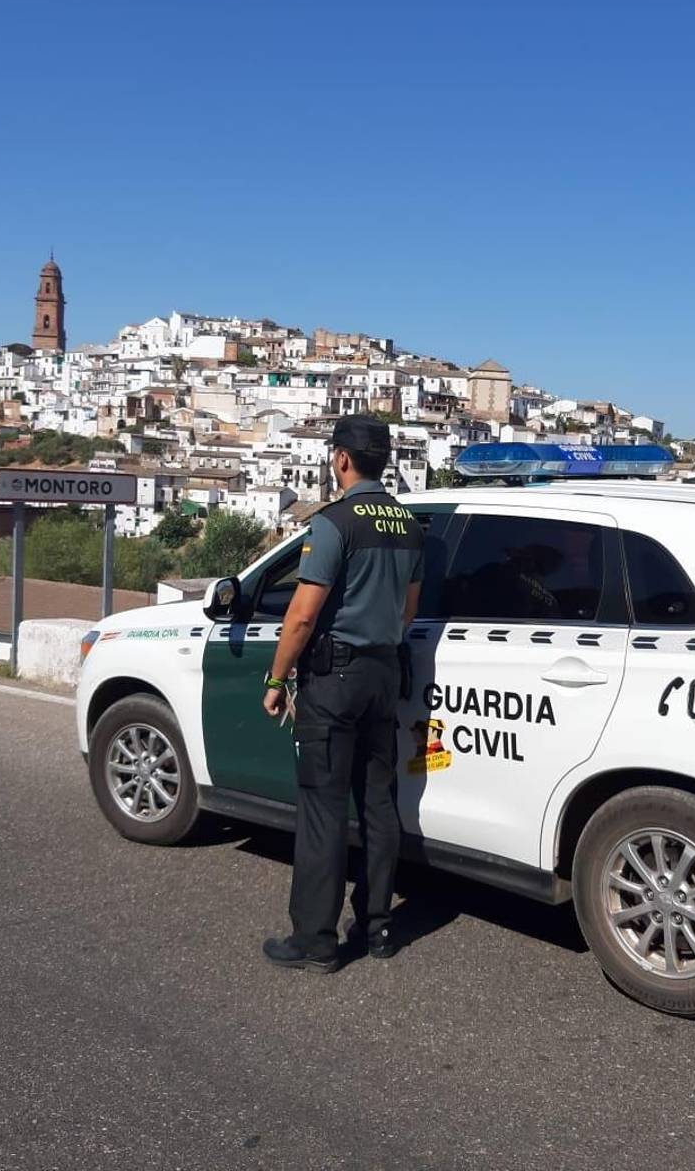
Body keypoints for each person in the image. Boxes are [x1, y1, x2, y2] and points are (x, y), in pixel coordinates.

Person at [260, 416, 424, 973]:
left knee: (323, 809)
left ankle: (315, 941)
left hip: (335, 680)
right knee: (379, 804)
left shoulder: (334, 523)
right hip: (384, 674)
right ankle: (378, 928)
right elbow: (408, 611)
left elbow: (302, 617)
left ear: (342, 460)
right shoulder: (408, 523)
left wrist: (277, 679)